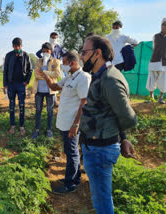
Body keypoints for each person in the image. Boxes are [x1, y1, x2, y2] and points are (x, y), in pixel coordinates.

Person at [79, 35, 137, 214]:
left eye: (84, 52)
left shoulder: (110, 79)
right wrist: (124, 137)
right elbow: (111, 111)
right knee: (100, 196)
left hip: (100, 150)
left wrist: (120, 136)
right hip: (95, 147)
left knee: (102, 199)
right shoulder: (100, 75)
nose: (81, 56)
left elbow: (128, 117)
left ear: (97, 53)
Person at [36, 51, 91, 193]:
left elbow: (84, 103)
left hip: (72, 124)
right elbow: (54, 87)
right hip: (64, 122)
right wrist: (46, 76)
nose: (63, 66)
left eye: (64, 63)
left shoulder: (83, 78)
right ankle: (75, 177)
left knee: (72, 152)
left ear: (72, 63)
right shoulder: (70, 77)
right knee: (70, 151)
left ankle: (70, 183)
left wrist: (76, 124)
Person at [3, 37, 32, 136]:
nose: (17, 48)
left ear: (21, 46)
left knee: (22, 105)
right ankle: (12, 125)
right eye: (15, 46)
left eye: (19, 46)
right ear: (13, 46)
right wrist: (5, 85)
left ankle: (21, 126)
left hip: (21, 84)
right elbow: (5, 70)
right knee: (11, 105)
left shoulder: (25, 55)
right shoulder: (9, 55)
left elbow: (30, 70)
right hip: (11, 84)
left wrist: (26, 81)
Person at [32, 42, 61, 139]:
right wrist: (48, 75)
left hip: (50, 90)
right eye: (43, 51)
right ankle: (37, 130)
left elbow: (57, 74)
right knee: (38, 110)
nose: (45, 53)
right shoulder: (38, 61)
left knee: (50, 111)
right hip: (39, 90)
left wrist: (43, 72)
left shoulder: (56, 62)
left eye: (47, 51)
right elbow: (36, 74)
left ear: (51, 51)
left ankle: (49, 130)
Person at [146, 18, 166, 104]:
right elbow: (154, 47)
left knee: (164, 80)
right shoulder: (156, 36)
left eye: (165, 25)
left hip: (165, 62)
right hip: (154, 60)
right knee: (151, 78)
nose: (164, 26)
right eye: (163, 24)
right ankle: (151, 96)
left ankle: (161, 97)